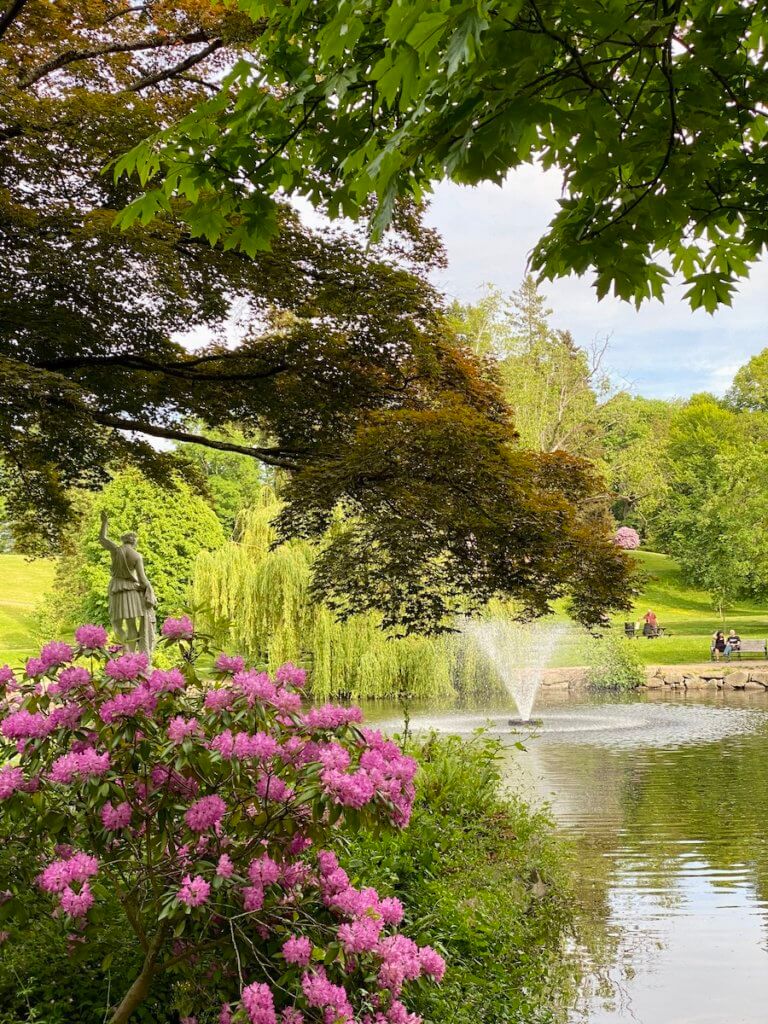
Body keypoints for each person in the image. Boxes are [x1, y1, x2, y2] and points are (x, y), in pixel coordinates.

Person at [98, 511, 157, 656]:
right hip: (131, 591)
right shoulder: (137, 556)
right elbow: (143, 580)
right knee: (131, 624)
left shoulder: (116, 550)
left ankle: (124, 650)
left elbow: (102, 539)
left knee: (116, 623)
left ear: (124, 541)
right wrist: (148, 590)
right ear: (134, 542)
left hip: (116, 588)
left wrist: (104, 523)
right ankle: (130, 655)